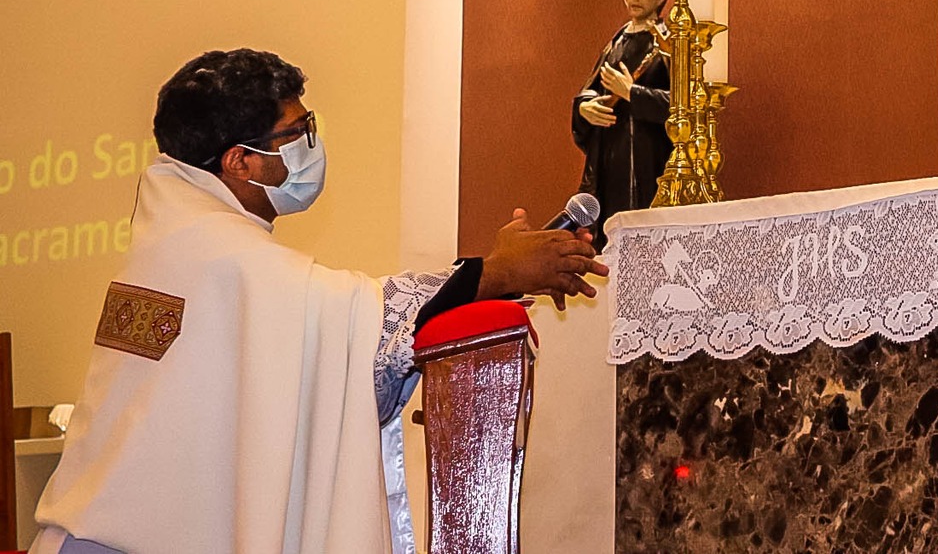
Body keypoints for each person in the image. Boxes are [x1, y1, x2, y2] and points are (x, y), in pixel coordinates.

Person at [29, 48, 606, 554]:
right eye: (296, 132)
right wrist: (496, 273)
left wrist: (495, 274)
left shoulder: (174, 239)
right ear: (239, 161)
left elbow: (346, 318)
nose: (312, 144)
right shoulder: (222, 259)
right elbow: (364, 326)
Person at [570, 0, 674, 247]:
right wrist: (585, 108)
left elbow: (682, 108)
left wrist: (633, 93)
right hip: (610, 156)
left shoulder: (667, 44)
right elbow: (591, 90)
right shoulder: (617, 41)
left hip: (648, 159)